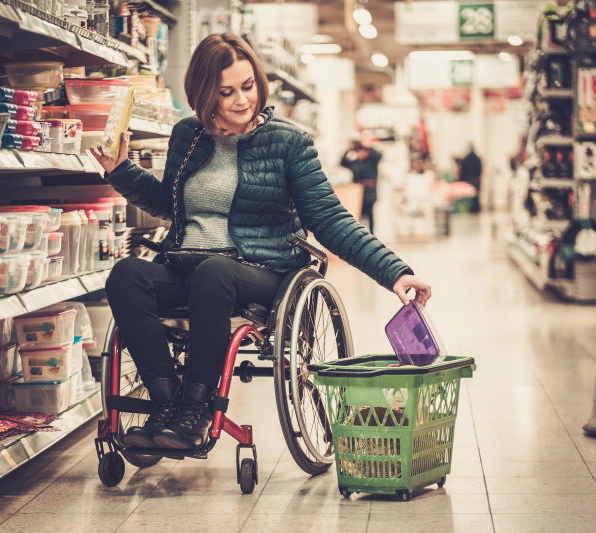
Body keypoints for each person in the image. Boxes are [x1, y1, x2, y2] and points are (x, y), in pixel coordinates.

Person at [90, 32, 431, 452]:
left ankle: (196, 407)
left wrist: (395, 272)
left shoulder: (288, 142)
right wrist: (121, 170)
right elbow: (168, 204)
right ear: (203, 92)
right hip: (188, 266)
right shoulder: (187, 136)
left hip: (262, 272)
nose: (241, 100)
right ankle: (164, 403)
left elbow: (329, 219)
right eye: (225, 91)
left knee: (214, 274)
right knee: (126, 275)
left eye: (248, 86)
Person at [340, 140, 382, 233]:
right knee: (358, 215)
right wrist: (348, 149)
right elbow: (342, 163)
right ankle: (361, 234)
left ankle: (372, 234)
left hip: (370, 193)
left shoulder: (371, 162)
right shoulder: (355, 163)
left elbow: (378, 155)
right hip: (357, 194)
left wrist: (367, 146)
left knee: (370, 216)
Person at [460, 144, 482, 212]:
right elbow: (480, 169)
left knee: (467, 196)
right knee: (475, 196)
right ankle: (475, 210)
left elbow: (462, 169)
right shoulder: (477, 158)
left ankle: (468, 209)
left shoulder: (466, 158)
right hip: (475, 179)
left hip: (467, 178)